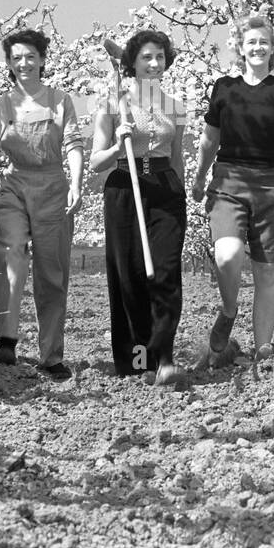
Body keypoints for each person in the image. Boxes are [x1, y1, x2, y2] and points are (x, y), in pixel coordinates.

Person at [190, 15, 274, 362]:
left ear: (273, 48)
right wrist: (200, 178)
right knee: (227, 256)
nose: (257, 48)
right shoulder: (224, 87)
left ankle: (263, 347)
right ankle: (229, 312)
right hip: (229, 180)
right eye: (251, 42)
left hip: (272, 184)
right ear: (240, 49)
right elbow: (209, 139)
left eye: (264, 42)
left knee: (266, 269)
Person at [90, 29, 187, 385]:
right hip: (123, 188)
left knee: (165, 271)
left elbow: (176, 159)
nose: (153, 63)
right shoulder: (112, 103)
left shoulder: (175, 107)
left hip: (164, 189)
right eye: (146, 56)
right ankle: (137, 360)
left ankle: (164, 356)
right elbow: (96, 162)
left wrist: (181, 196)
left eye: (159, 56)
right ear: (132, 63)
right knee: (129, 275)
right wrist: (119, 144)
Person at [0, 29, 84, 380]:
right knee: (9, 252)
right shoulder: (0, 107)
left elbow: (73, 143)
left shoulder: (60, 101)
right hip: (12, 186)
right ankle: (7, 340)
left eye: (30, 56)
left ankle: (51, 354)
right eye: (16, 58)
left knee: (52, 272)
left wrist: (75, 182)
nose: (23, 63)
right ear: (9, 64)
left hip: (53, 187)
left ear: (42, 60)